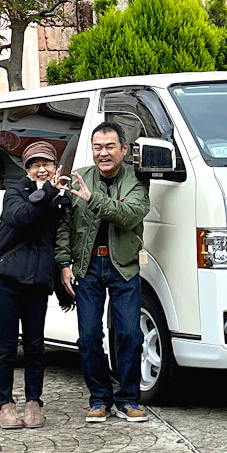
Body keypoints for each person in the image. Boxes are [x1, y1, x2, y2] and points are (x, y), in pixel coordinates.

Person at [55, 122, 151, 423]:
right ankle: (99, 399)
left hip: (123, 265)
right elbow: (63, 226)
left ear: (123, 149)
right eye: (98, 147)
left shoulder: (136, 179)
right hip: (87, 267)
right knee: (88, 337)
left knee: (129, 334)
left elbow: (130, 214)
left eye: (110, 146)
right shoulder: (80, 177)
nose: (103, 153)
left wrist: (92, 198)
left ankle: (128, 399)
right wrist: (64, 263)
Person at [0, 140, 72, 430]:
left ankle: (33, 401)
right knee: (7, 347)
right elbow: (22, 218)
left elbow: (60, 238)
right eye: (35, 165)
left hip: (37, 283)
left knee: (36, 347)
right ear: (27, 169)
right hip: (7, 282)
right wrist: (48, 191)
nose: (41, 169)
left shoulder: (60, 199)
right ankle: (5, 404)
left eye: (46, 164)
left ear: (55, 166)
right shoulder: (15, 193)